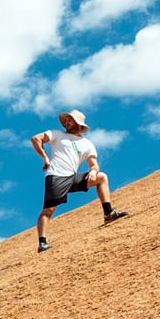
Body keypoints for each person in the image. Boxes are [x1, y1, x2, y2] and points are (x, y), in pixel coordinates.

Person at [30, 108, 126, 252]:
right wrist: (45, 157)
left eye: (71, 120)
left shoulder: (87, 144)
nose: (67, 122)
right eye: (67, 119)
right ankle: (42, 243)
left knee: (101, 177)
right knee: (48, 210)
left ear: (79, 124)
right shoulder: (57, 134)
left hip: (72, 176)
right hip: (56, 175)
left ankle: (108, 213)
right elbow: (36, 139)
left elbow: (94, 164)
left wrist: (93, 171)